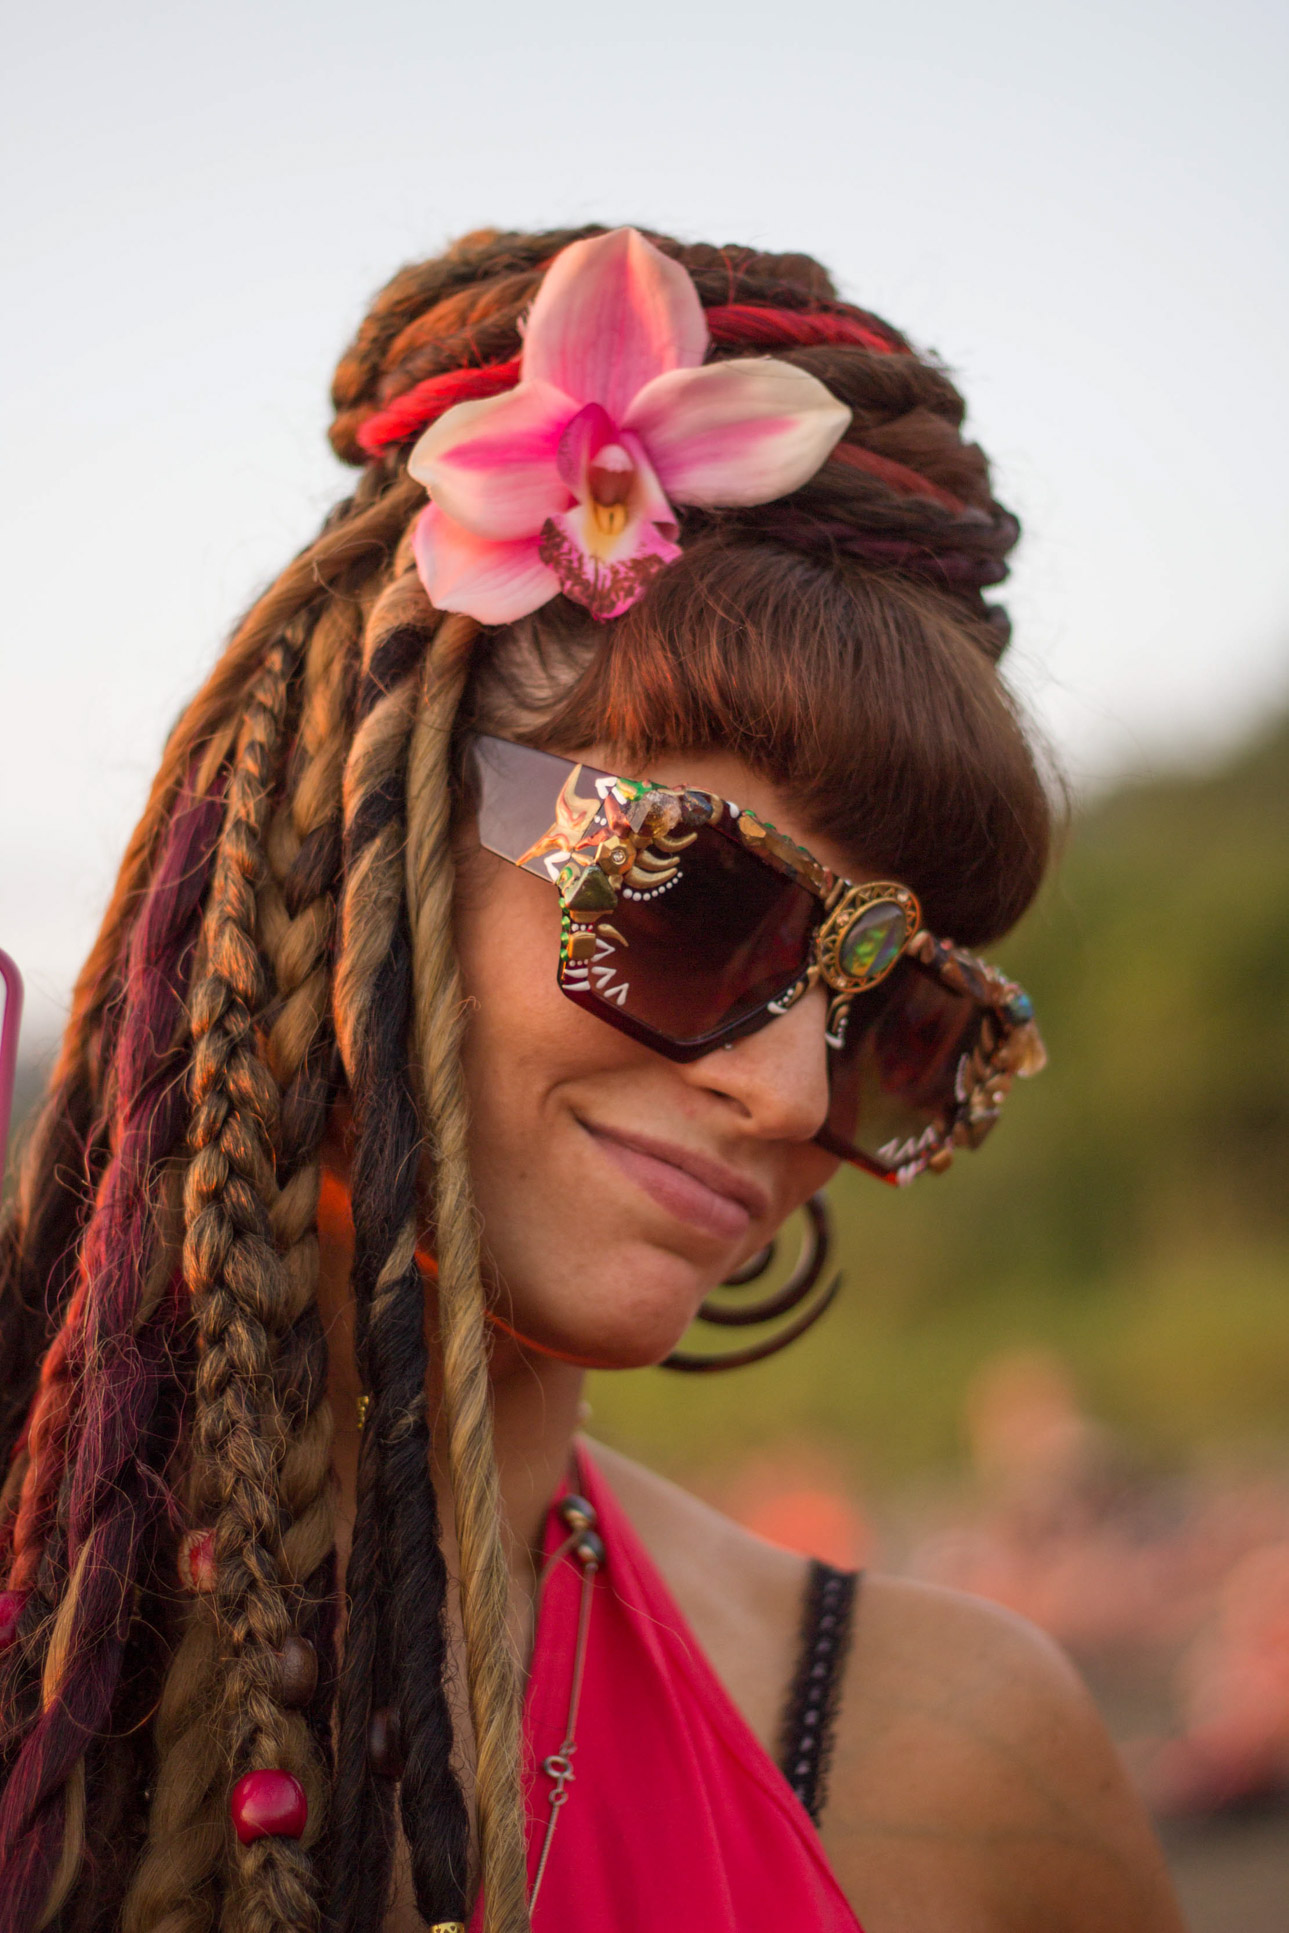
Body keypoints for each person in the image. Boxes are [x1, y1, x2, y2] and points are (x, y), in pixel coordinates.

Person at [0, 224, 1184, 1933]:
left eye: (897, 1024)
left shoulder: (958, 1762)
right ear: (363, 842)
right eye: (699, 902)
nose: (788, 1097)